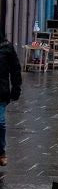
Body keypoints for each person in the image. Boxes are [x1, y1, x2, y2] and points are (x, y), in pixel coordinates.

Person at [0, 29, 23, 169]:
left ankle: (1, 152)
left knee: (0, 122)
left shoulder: (6, 48)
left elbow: (15, 69)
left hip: (1, 91)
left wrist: (16, 88)